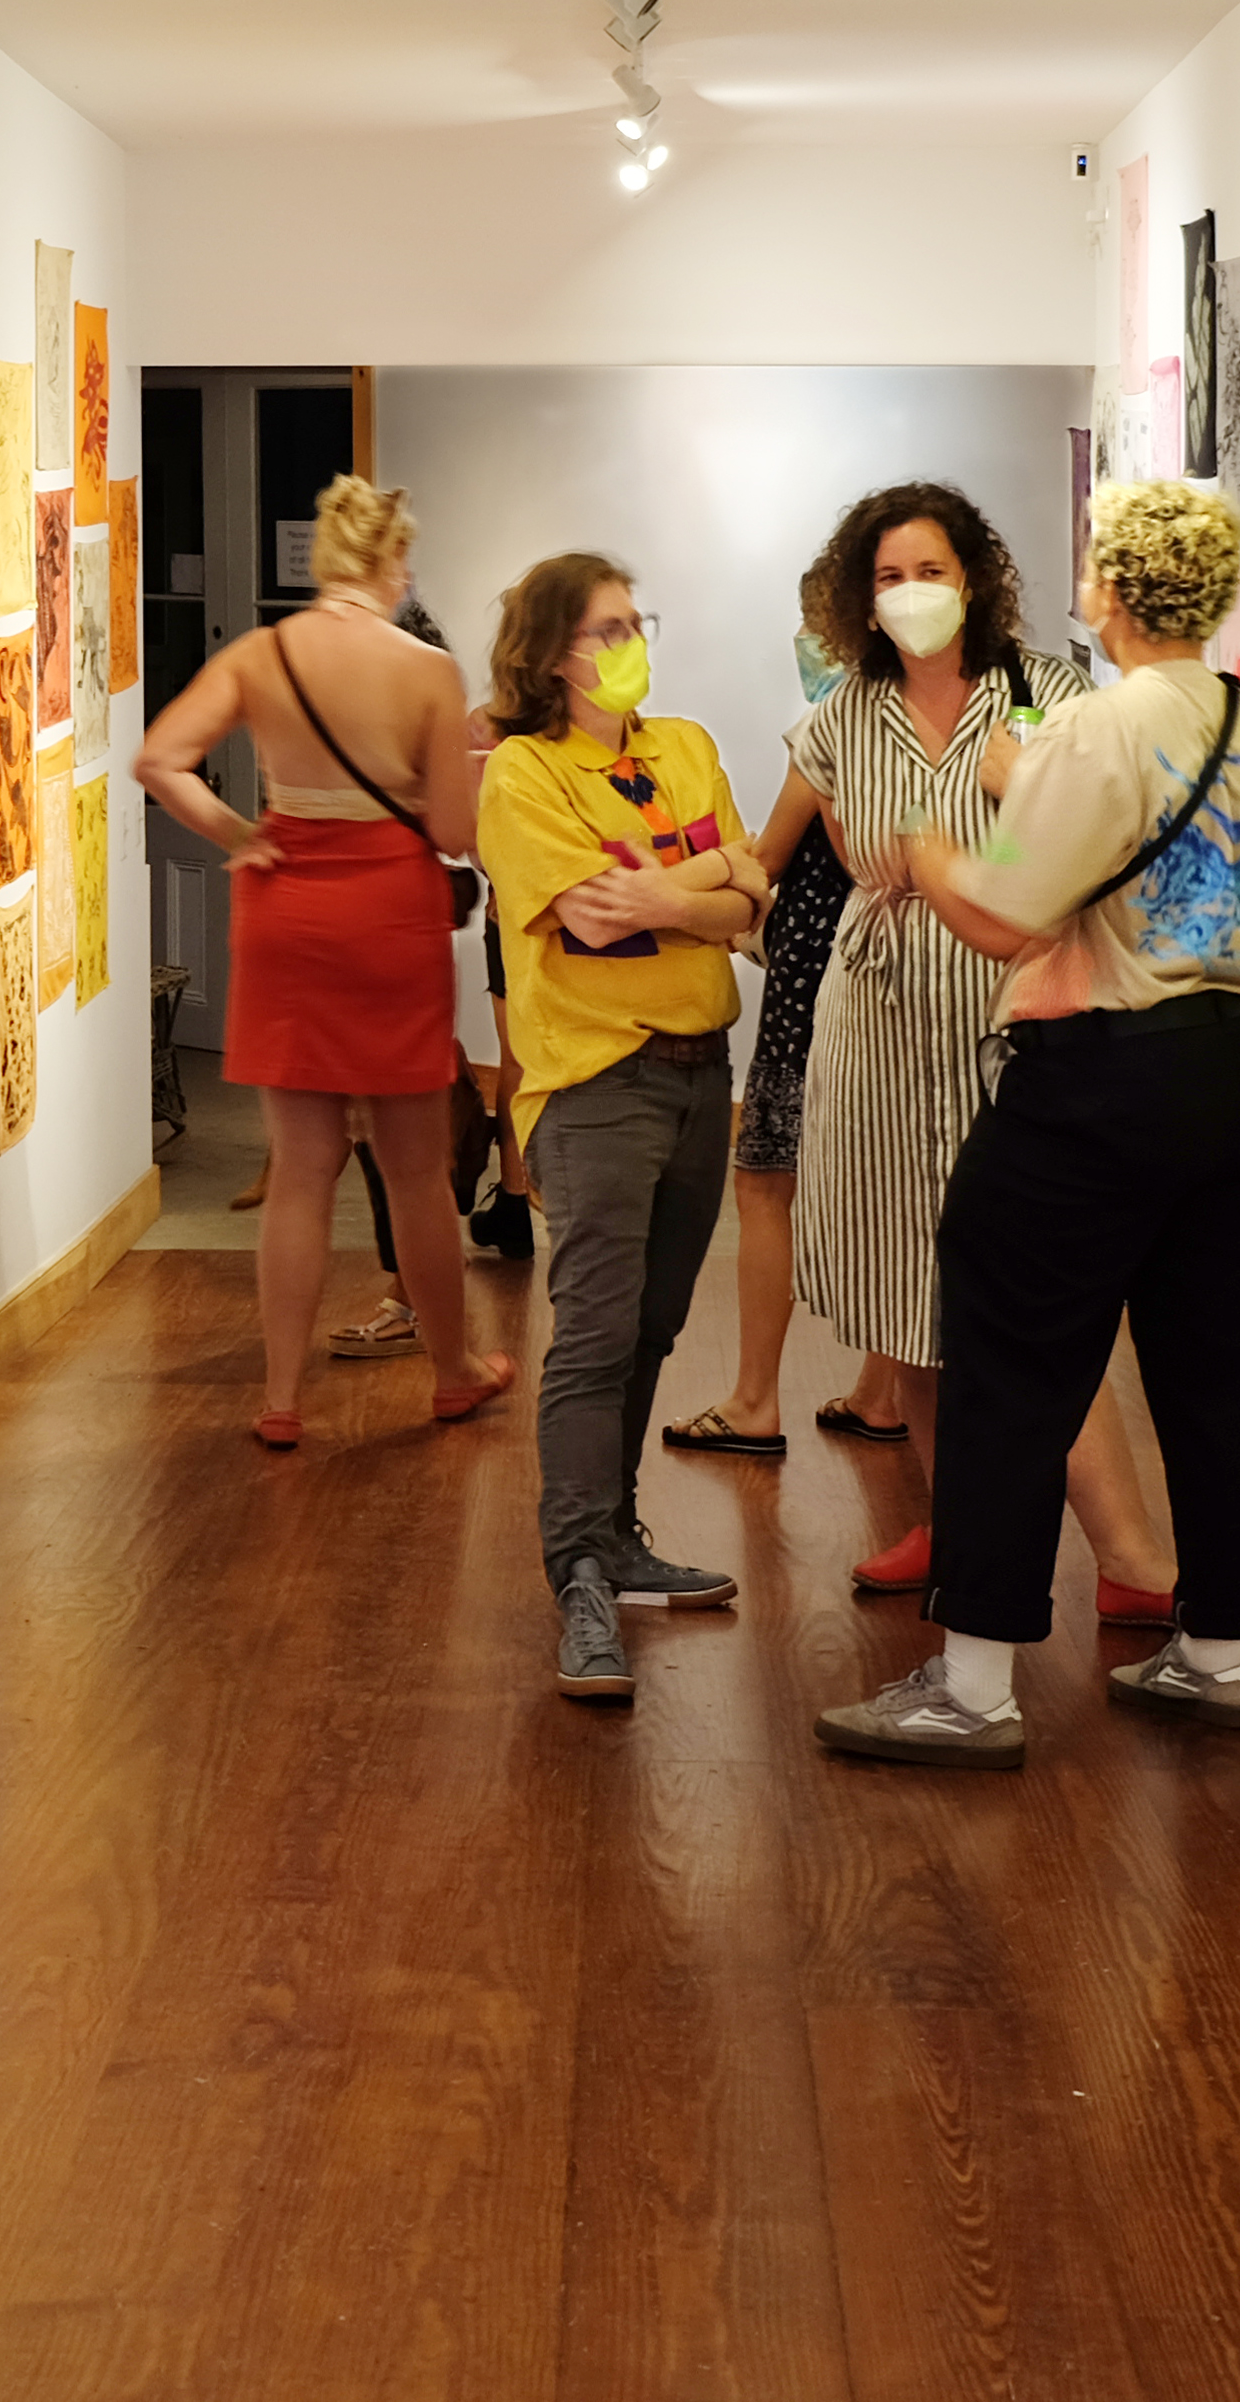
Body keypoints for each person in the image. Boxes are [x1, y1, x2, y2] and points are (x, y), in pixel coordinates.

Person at [817, 477, 1240, 1768]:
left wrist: (932, 856)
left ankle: (976, 1682)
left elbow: (1006, 915)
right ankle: (1218, 1653)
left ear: (1111, 591)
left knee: (1009, 1364)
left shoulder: (1105, 726)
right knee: (1214, 1374)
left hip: (1105, 1081)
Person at [773, 486, 1183, 1621]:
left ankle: (1133, 1558)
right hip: (876, 1025)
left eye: (932, 570)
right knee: (905, 1284)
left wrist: (988, 825)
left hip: (1010, 1019)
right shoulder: (844, 712)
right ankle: (956, 1527)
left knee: (1030, 1303)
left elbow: (1094, 850)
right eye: (890, 576)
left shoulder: (1049, 696)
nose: (912, 594)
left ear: (977, 577)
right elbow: (809, 853)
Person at [132, 477, 507, 1444]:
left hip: (286, 903)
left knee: (301, 1167)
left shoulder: (260, 655)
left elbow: (159, 759)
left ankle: (283, 1397)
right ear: (393, 564)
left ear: (321, 560)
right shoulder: (427, 670)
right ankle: (454, 1371)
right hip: (389, 910)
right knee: (416, 1170)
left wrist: (238, 831)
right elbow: (457, 834)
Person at [474, 552, 765, 1702]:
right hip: (594, 1084)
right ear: (553, 654)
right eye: (607, 627)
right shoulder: (524, 776)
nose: (628, 640)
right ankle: (580, 1576)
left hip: (703, 1074)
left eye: (636, 621)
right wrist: (711, 885)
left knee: (652, 1325)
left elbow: (760, 906)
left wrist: (675, 892)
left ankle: (621, 1533)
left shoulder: (683, 747)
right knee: (593, 1336)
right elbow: (595, 921)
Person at [662, 615, 855, 1461]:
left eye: (814, 624)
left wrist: (668, 892)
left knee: (765, 1181)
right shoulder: (929, 720)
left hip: (813, 975)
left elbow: (765, 856)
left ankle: (754, 1400)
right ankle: (884, 1389)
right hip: (876, 975)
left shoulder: (830, 727)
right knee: (881, 1187)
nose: (803, 641)